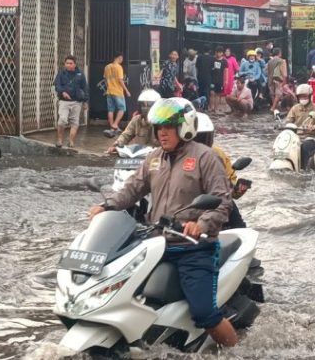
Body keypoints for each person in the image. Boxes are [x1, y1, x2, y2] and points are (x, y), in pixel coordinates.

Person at [88, 97, 238, 347]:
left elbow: (223, 201)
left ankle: (236, 351)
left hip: (194, 248)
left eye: (168, 127)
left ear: (184, 127)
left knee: (204, 313)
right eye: (159, 128)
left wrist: (201, 224)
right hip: (156, 244)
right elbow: (132, 189)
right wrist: (106, 206)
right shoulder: (153, 158)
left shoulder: (205, 157)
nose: (162, 133)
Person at [193, 112, 248, 229]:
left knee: (239, 228)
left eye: (205, 137)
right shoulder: (175, 156)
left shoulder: (217, 154)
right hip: (186, 206)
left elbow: (229, 188)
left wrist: (238, 189)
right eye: (198, 137)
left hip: (214, 202)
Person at [107, 89, 161, 153]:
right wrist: (116, 145)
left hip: (157, 157)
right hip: (139, 156)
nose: (145, 108)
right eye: (143, 105)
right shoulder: (136, 120)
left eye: (149, 105)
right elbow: (126, 135)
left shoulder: (162, 123)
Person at [285, 84, 315, 170]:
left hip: (311, 137)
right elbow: (288, 121)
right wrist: (286, 125)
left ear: (310, 96)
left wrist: (314, 127)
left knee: (304, 147)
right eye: (301, 96)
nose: (303, 98)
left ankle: (303, 169)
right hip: (296, 137)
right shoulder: (295, 108)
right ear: (297, 97)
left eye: (305, 96)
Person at [54, 55, 89, 148]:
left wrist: (85, 101)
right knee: (62, 121)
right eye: (67, 63)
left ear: (75, 64)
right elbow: (57, 85)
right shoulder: (61, 73)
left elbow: (85, 88)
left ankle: (71, 141)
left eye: (71, 63)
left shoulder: (80, 75)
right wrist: (63, 92)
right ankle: (60, 140)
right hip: (64, 101)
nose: (68, 65)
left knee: (75, 122)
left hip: (77, 102)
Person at [104, 52, 131, 134]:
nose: (122, 60)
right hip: (118, 92)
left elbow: (105, 79)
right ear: (119, 58)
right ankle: (115, 124)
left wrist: (108, 87)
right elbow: (120, 80)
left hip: (109, 91)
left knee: (110, 110)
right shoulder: (119, 67)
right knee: (122, 109)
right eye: (121, 58)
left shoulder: (107, 67)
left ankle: (112, 128)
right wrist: (126, 90)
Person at [266, 48, 288, 115]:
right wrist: (284, 82)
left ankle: (275, 109)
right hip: (279, 79)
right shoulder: (282, 61)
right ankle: (273, 108)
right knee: (278, 94)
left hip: (270, 79)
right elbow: (284, 73)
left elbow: (267, 71)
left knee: (273, 95)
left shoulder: (269, 61)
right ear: (279, 53)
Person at [210, 46, 228, 112]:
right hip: (212, 79)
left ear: (222, 53)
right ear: (215, 52)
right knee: (212, 93)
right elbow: (209, 68)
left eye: (220, 52)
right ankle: (212, 107)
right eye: (217, 52)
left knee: (218, 94)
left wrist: (226, 80)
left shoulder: (224, 61)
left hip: (220, 80)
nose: (218, 54)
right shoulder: (212, 59)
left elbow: (226, 71)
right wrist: (212, 68)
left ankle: (216, 108)